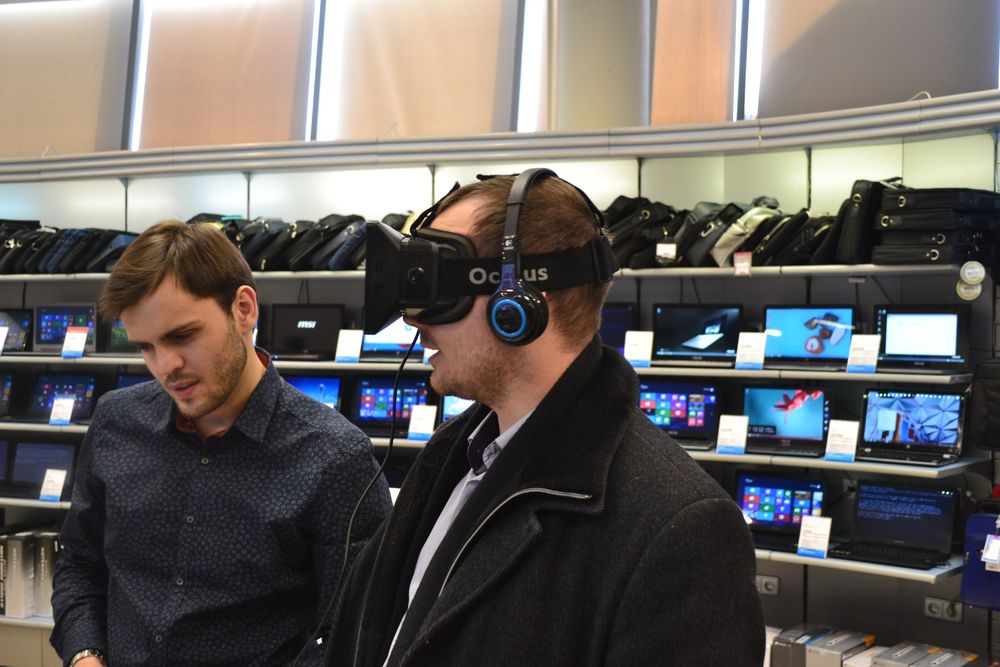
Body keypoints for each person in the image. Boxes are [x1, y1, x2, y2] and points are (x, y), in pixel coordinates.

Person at [325, 172, 765, 666]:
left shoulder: (681, 528)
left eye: (438, 285)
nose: (414, 319)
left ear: (520, 301)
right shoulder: (454, 456)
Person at [50, 221, 391, 667]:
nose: (166, 366)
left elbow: (353, 633)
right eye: (146, 347)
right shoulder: (116, 421)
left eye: (182, 336)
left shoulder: (335, 458)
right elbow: (78, 565)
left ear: (244, 309)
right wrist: (85, 655)